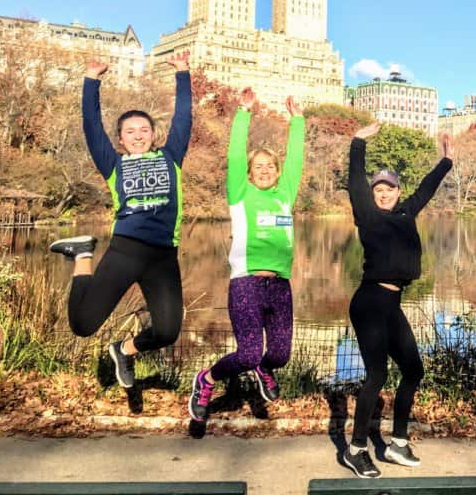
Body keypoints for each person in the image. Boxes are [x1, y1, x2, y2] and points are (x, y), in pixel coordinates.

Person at [50, 51, 192, 390]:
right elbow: (91, 125)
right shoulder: (113, 165)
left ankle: (123, 351)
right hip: (126, 250)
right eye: (131, 131)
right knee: (83, 325)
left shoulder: (171, 157)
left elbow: (184, 119)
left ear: (154, 134)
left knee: (168, 331)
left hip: (163, 256)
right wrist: (91, 81)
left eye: (144, 129)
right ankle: (83, 255)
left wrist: (183, 74)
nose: (139, 135)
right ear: (121, 139)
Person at [342, 122, 453, 479]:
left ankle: (398, 443)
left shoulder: (406, 214)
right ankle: (356, 449)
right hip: (370, 301)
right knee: (377, 374)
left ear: (398, 191)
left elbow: (426, 189)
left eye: (389, 188)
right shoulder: (367, 215)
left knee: (413, 370)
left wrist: (446, 161)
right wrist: (358, 142)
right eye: (379, 189)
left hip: (392, 304)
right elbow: (356, 179)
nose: (383, 193)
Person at [188, 89, 306, 421]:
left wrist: (297, 121)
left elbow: (296, 159)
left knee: (280, 355)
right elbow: (236, 156)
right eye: (258, 166)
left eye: (270, 165)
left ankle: (265, 371)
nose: (265, 170)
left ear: (278, 172)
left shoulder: (284, 195)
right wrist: (243, 113)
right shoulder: (240, 194)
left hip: (280, 285)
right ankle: (206, 379)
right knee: (249, 352)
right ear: (250, 173)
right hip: (246, 284)